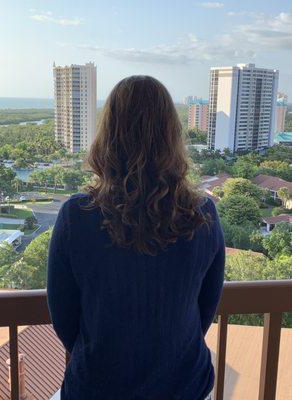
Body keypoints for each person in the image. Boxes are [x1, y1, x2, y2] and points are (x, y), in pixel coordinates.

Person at [47, 75, 225, 400]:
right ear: (172, 135)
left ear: (108, 133)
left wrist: (104, 357)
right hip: (184, 387)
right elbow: (204, 310)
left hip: (97, 387)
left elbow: (64, 316)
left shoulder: (77, 216)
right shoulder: (204, 216)